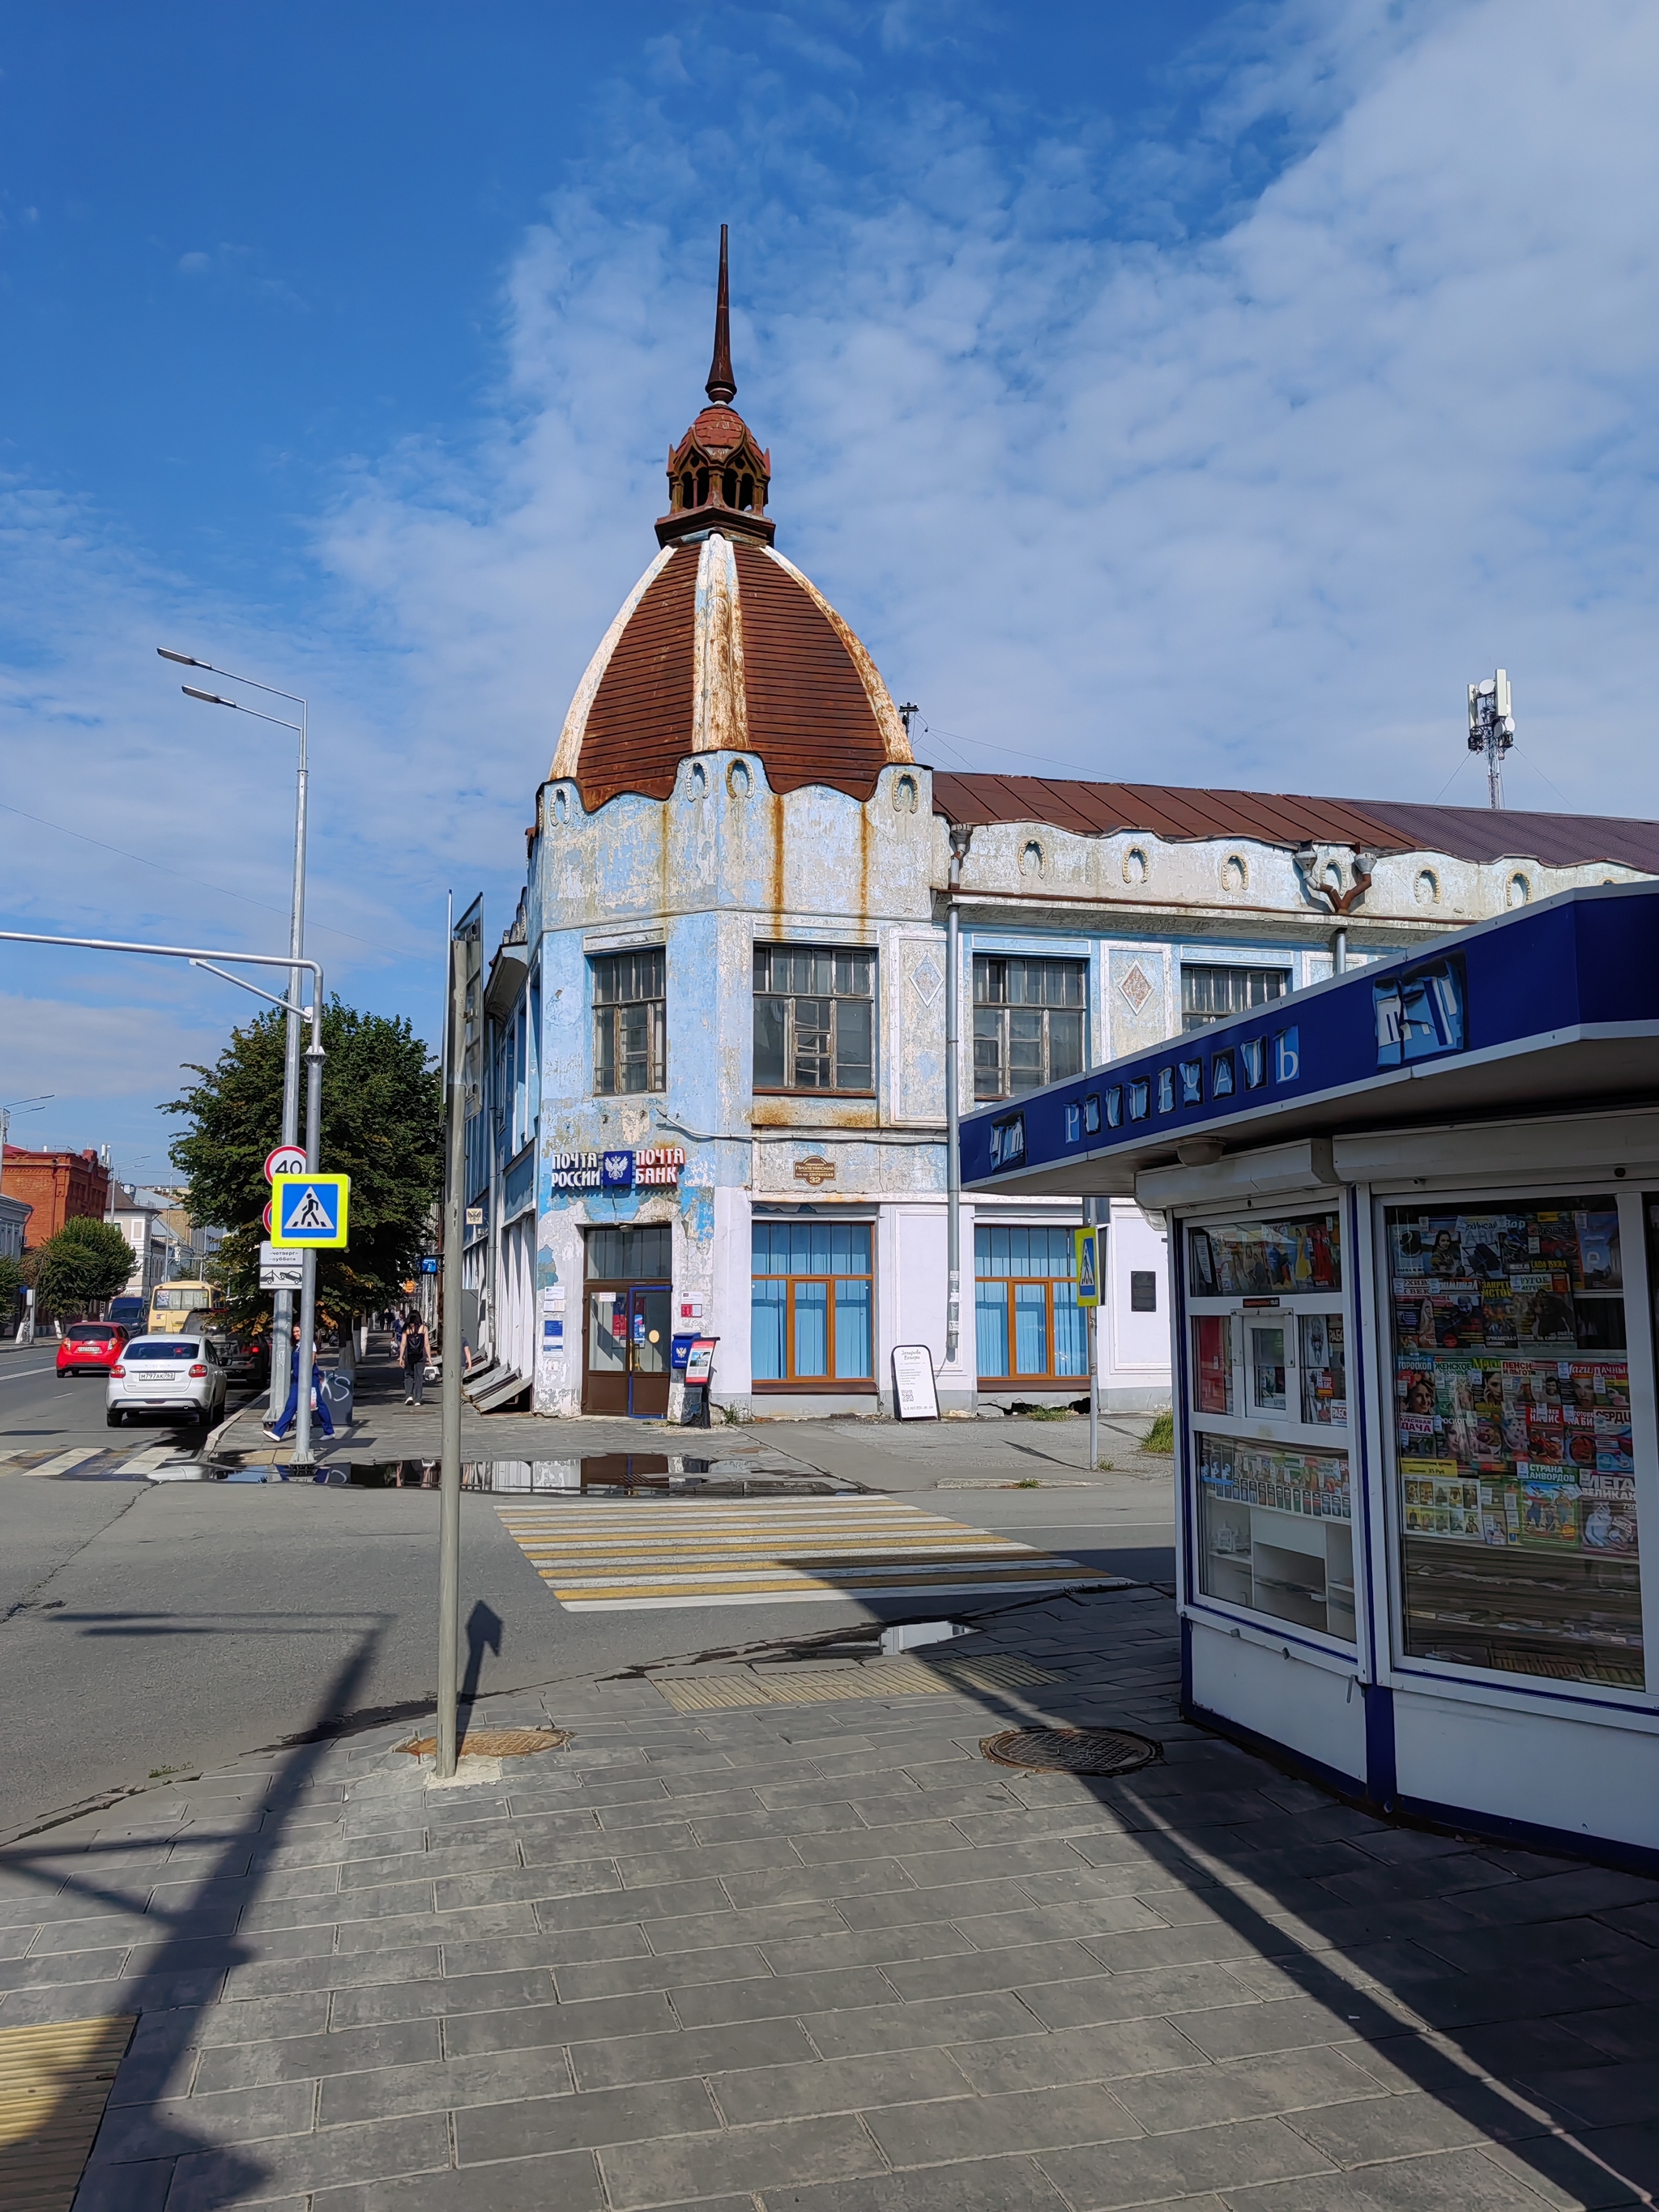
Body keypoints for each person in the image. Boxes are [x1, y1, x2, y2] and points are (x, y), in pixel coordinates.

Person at [265, 1325, 335, 1442]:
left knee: (318, 1404)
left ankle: (329, 1431)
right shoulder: (297, 1346)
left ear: (304, 1331)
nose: (295, 1334)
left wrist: (305, 1377)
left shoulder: (309, 1344)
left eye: (298, 1331)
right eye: (294, 1332)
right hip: (298, 1380)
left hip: (309, 1379)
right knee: (291, 1405)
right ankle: (277, 1433)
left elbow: (311, 1362)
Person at [401, 1310, 432, 1404]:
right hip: (420, 1356)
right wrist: (429, 1358)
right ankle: (418, 1400)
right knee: (419, 1377)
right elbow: (426, 1344)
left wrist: (401, 1357)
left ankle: (409, 1396)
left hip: (409, 1356)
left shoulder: (406, 1328)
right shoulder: (424, 1328)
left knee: (408, 1375)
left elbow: (403, 1343)